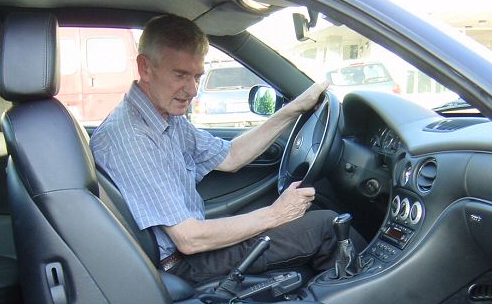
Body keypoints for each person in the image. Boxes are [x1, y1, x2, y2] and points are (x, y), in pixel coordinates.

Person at [91, 14, 361, 284]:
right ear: (145, 68)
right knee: (328, 226)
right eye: (180, 75)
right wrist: (276, 214)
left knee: (309, 223)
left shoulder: (166, 118)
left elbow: (230, 156)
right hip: (180, 266)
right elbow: (188, 238)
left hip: (192, 251)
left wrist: (293, 109)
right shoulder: (131, 136)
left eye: (197, 76)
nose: (192, 90)